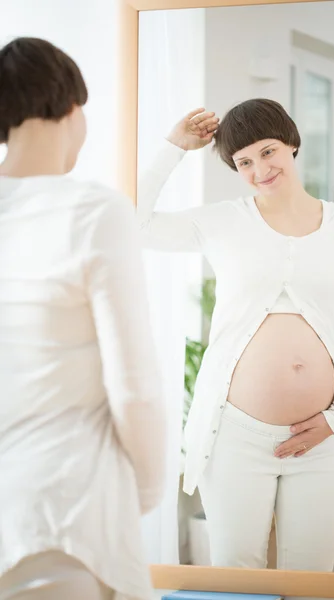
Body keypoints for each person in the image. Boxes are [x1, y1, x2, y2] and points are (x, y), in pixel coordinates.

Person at [137, 99, 334, 572]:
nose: (260, 169)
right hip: (234, 436)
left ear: (291, 144)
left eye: (267, 152)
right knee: (236, 575)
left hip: (322, 438)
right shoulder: (223, 220)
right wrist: (174, 148)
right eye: (244, 162)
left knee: (311, 579)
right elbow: (134, 224)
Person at [0, 37, 166, 600]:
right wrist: (144, 490)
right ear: (72, 108)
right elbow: (134, 385)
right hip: (66, 514)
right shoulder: (93, 211)